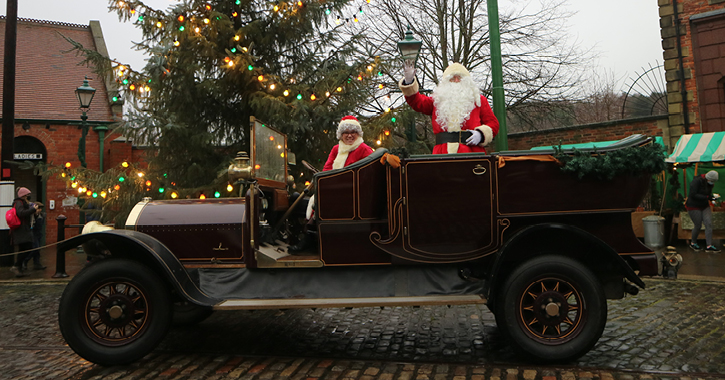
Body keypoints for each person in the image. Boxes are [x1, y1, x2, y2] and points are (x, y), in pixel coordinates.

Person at [289, 116, 373, 253]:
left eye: (353, 131)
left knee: (321, 203)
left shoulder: (364, 149)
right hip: (334, 190)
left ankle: (308, 240)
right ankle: (299, 236)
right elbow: (327, 170)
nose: (350, 135)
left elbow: (367, 176)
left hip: (351, 194)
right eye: (346, 132)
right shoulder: (336, 149)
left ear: (358, 133)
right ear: (341, 134)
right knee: (295, 199)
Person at [399, 61, 500, 154]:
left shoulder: (478, 100)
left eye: (459, 78)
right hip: (442, 153)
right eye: (452, 78)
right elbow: (417, 102)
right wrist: (409, 82)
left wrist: (481, 134)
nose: (456, 81)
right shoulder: (437, 101)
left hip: (471, 152)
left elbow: (493, 124)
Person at [686, 170, 721, 252]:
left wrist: (712, 198)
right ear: (708, 178)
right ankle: (693, 243)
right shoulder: (696, 181)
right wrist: (707, 197)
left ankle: (709, 245)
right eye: (712, 181)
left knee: (708, 223)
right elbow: (693, 194)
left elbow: (708, 194)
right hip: (693, 206)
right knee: (698, 225)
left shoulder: (709, 184)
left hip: (704, 205)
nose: (712, 183)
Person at [9, 187, 39, 277]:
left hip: (24, 229)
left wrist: (34, 213)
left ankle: (19, 269)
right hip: (21, 230)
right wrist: (33, 209)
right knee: (26, 248)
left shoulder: (23, 203)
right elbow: (21, 213)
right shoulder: (18, 203)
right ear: (23, 196)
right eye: (27, 195)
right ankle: (17, 266)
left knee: (24, 249)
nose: (28, 197)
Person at [22, 202, 46, 270]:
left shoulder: (42, 215)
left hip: (38, 233)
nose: (40, 210)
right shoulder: (31, 216)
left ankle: (37, 263)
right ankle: (25, 260)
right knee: (35, 248)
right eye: (38, 208)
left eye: (41, 208)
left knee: (37, 250)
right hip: (33, 233)